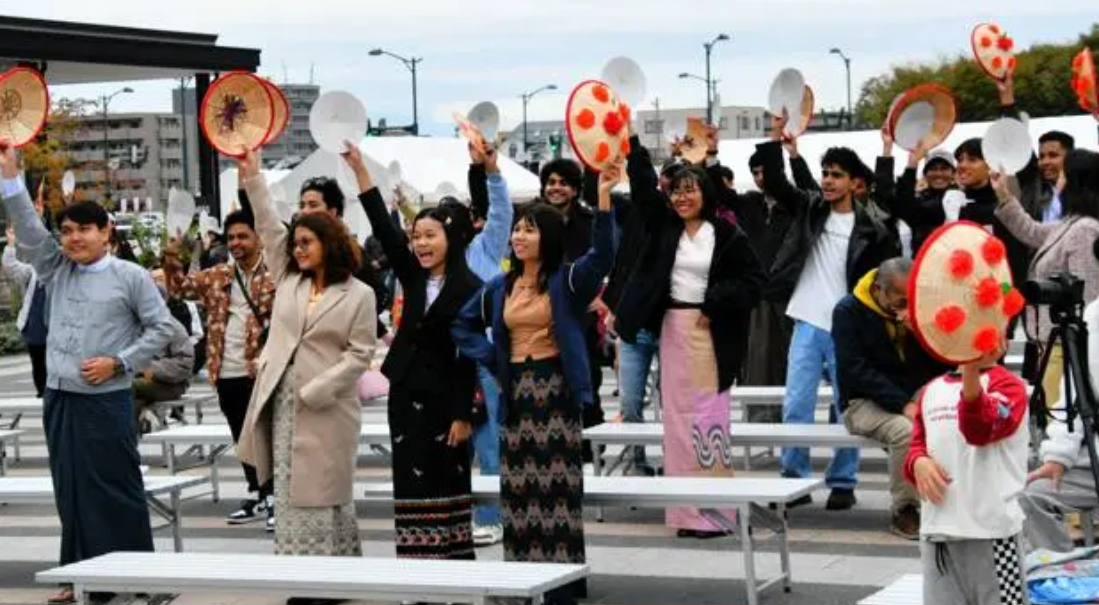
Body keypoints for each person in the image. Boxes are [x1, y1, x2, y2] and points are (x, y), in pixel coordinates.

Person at [1, 144, 175, 605]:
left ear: (106, 232)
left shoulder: (130, 276)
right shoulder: (57, 270)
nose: (73, 239)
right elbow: (31, 233)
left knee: (115, 487)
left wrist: (119, 362)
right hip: (60, 396)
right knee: (71, 489)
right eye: (67, 231)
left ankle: (137, 575)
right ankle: (81, 576)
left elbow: (164, 329)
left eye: (84, 230)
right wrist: (11, 180)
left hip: (105, 399)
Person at [452, 165, 617, 605]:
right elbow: (463, 324)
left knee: (557, 488)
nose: (518, 236)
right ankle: (522, 580)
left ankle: (562, 584)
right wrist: (493, 357)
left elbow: (604, 256)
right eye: (517, 230)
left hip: (556, 389)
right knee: (520, 490)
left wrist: (604, 199)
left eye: (529, 229)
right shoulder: (499, 287)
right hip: (515, 391)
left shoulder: (568, 279)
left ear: (549, 236)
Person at [235, 150, 376, 581]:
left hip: (328, 404)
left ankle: (333, 576)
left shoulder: (359, 294)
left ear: (328, 244)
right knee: (289, 488)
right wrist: (253, 177)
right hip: (282, 397)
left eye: (306, 243)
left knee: (324, 490)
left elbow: (360, 354)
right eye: (294, 243)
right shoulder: (289, 278)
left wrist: (318, 388)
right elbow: (267, 224)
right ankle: (300, 576)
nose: (297, 249)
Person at [617, 128, 766, 536]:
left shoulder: (726, 233)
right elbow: (643, 190)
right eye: (676, 192)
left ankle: (716, 513)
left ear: (705, 192)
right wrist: (634, 145)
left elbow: (754, 280)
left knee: (709, 419)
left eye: (690, 190)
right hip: (673, 328)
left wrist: (716, 302)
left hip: (711, 331)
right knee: (678, 422)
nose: (682, 198)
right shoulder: (665, 227)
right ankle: (685, 514)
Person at [758, 113, 900, 510]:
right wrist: (776, 138)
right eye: (825, 173)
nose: (828, 180)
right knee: (796, 405)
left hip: (848, 328)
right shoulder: (809, 209)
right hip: (806, 320)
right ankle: (794, 479)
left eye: (837, 174)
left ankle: (843, 481)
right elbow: (777, 183)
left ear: (854, 182)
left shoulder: (873, 228)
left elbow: (884, 279)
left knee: (847, 408)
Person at [350, 143, 481, 560]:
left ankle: (453, 563)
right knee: (409, 478)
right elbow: (383, 228)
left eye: (430, 236)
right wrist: (360, 172)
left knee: (447, 478)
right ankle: (415, 565)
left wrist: (464, 414)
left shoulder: (472, 288)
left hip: (446, 400)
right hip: (406, 392)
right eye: (417, 236)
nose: (421, 243)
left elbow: (469, 358)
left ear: (452, 238)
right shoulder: (412, 276)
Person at [164, 209, 278, 529]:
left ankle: (274, 495)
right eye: (231, 238)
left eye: (243, 236)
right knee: (241, 437)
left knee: (264, 436)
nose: (236, 243)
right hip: (225, 372)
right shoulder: (218, 276)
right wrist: (172, 256)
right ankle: (258, 493)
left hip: (261, 370)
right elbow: (179, 289)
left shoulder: (275, 275)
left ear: (258, 238)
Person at [904, 339, 1029, 605]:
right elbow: (917, 443)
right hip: (938, 531)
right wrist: (918, 461)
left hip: (992, 532)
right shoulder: (931, 389)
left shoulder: (1009, 387)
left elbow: (979, 430)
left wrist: (971, 369)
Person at [833, 258, 950, 539]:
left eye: (911, 299)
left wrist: (919, 335)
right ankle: (905, 509)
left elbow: (939, 366)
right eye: (900, 301)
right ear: (879, 290)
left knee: (949, 412)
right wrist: (902, 404)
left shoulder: (916, 308)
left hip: (910, 392)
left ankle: (948, 497)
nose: (907, 307)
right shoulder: (848, 311)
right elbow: (854, 370)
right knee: (905, 431)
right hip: (862, 402)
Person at [992, 153, 1099, 406]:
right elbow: (1032, 232)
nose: (1057, 180)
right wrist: (1005, 195)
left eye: (1063, 174)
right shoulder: (1072, 223)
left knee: (1057, 417)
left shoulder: (1085, 229)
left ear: (1076, 181)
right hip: (1053, 342)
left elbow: (1086, 294)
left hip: (1067, 346)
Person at [454, 143, 515, 546]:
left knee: (491, 441)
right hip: (449, 362)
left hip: (485, 361)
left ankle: (491, 516)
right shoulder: (434, 264)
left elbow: (501, 212)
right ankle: (457, 515)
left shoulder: (485, 248)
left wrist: (490, 172)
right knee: (455, 445)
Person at [1020, 298, 1099, 552]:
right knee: (1032, 495)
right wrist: (1058, 456)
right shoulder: (1094, 315)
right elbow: (1075, 391)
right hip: (1092, 461)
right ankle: (1060, 568)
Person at [132, 308, 194, 435]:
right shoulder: (136, 326)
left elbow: (184, 366)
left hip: (170, 384)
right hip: (145, 379)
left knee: (128, 387)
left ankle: (129, 433)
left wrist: (145, 367)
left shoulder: (173, 327)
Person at [3, 227, 48, 396]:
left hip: (56, 330)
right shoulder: (32, 271)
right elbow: (11, 267)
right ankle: (43, 394)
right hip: (35, 328)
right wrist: (11, 244)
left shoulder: (63, 270)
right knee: (39, 366)